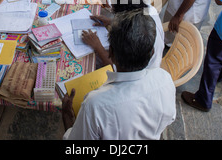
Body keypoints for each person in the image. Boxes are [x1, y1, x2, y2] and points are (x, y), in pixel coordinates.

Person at [62, 10, 176, 140]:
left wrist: (67, 116)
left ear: (110, 53)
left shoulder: (94, 105)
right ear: (152, 53)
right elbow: (169, 117)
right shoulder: (165, 80)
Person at [81, 0, 164, 69]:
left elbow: (116, 67)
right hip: (142, 60)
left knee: (90, 60)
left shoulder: (132, 38)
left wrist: (97, 46)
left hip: (141, 71)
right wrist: (111, 21)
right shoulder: (148, 10)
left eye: (114, 12)